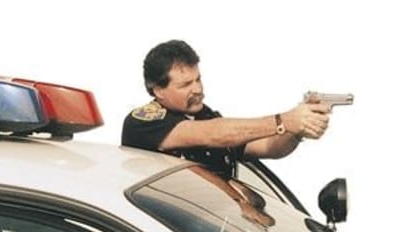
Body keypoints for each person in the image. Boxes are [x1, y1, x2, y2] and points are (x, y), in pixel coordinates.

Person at [122, 39, 331, 179]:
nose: (198, 89)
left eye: (198, 79)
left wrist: (297, 130)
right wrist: (284, 121)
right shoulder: (144, 122)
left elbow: (269, 148)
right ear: (158, 90)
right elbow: (213, 134)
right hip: (162, 230)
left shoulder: (204, 116)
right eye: (185, 85)